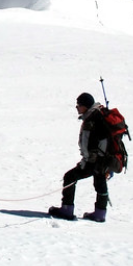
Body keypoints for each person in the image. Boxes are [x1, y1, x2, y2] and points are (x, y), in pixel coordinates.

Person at [48, 92, 113, 222]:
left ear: (86, 106)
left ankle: (67, 209)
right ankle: (100, 213)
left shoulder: (91, 120)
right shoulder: (99, 115)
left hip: (95, 160)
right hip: (105, 159)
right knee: (100, 182)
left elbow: (86, 144)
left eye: (79, 105)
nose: (77, 108)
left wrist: (85, 162)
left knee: (70, 177)